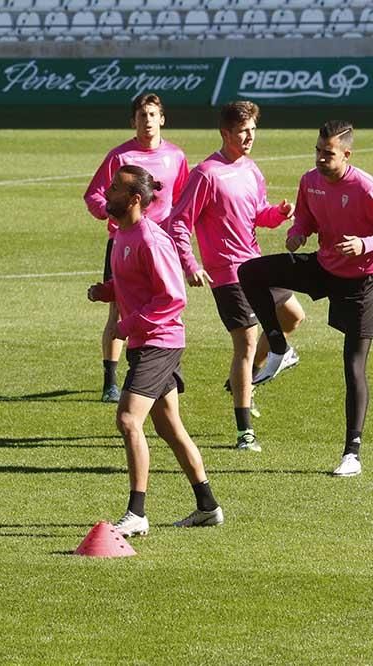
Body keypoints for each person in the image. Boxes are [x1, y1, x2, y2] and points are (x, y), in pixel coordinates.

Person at [87, 165, 223, 537]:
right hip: (146, 342)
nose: (106, 193)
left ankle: (137, 512)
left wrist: (126, 325)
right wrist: (108, 292)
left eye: (114, 189)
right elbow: (137, 284)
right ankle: (207, 506)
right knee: (169, 427)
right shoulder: (121, 236)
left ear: (133, 200)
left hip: (158, 343)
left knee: (129, 420)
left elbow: (172, 298)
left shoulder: (151, 238)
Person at [166, 100, 305, 453]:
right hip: (227, 273)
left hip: (255, 265)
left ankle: (245, 379)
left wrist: (278, 213)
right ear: (225, 133)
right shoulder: (206, 174)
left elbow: (257, 212)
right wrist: (190, 264)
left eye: (253, 130)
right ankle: (245, 432)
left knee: (293, 316)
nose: (249, 137)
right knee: (245, 342)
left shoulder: (251, 168)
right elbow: (179, 222)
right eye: (242, 131)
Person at [239, 120, 373, 477]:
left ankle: (352, 454)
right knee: (251, 272)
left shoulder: (364, 187)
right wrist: (297, 233)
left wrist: (364, 244)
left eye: (327, 153)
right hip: (324, 266)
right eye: (317, 150)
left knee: (353, 364)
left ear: (346, 154)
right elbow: (307, 220)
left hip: (361, 281)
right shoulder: (309, 181)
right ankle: (279, 348)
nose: (319, 158)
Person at [84, 93, 189, 404]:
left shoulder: (176, 156)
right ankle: (110, 379)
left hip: (158, 247)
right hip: (124, 242)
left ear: (162, 119)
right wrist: (110, 212)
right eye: (142, 115)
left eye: (152, 115)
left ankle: (163, 372)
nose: (147, 121)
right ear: (133, 121)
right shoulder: (119, 157)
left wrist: (180, 235)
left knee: (162, 304)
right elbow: (94, 195)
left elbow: (182, 199)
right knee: (118, 308)